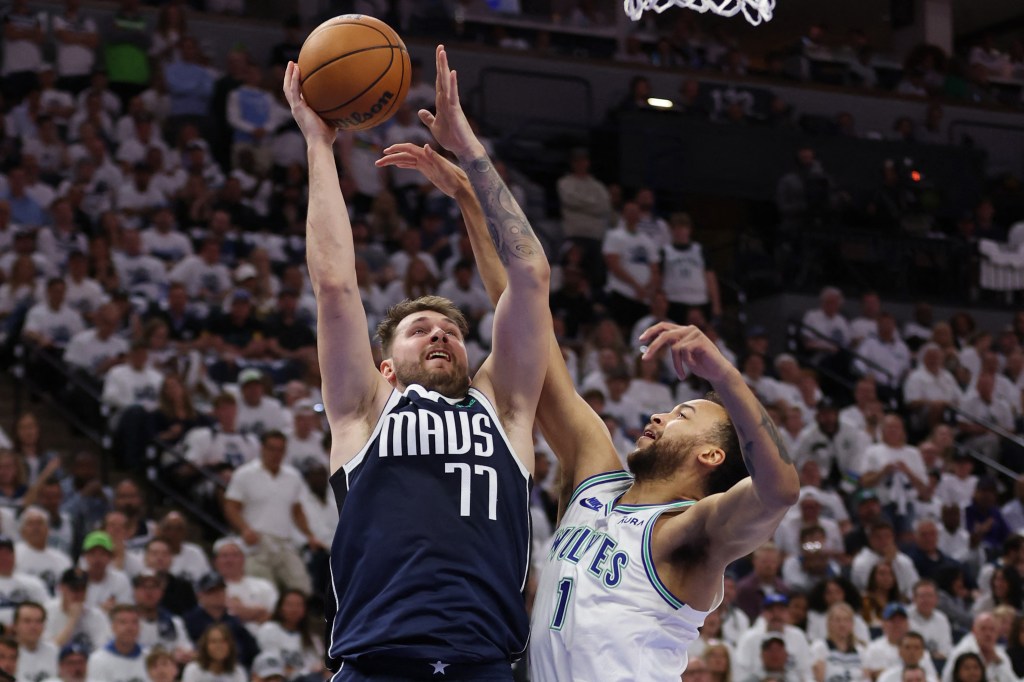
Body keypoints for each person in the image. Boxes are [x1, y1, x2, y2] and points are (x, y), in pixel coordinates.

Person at [381, 108, 799, 682]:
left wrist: (723, 377)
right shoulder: (594, 472)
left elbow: (779, 491)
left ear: (711, 455)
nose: (659, 414)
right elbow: (525, 322)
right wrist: (470, 200)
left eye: (682, 414)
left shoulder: (692, 534)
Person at [286, 43, 550, 680]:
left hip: (483, 663)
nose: (440, 336)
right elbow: (336, 286)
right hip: (378, 661)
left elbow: (531, 275)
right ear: (384, 366)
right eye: (419, 330)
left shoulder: (504, 407)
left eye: (453, 331)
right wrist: (320, 148)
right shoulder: (363, 411)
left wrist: (471, 157)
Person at [181, 623, 246, 682]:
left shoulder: (238, 671)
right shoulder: (193, 670)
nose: (219, 646)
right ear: (205, 645)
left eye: (223, 641)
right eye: (213, 642)